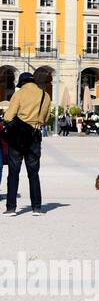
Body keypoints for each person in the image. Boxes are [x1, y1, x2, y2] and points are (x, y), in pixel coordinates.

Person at [3, 72, 51, 215]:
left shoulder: (18, 94)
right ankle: (36, 207)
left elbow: (8, 116)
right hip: (35, 136)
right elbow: (46, 117)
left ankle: (11, 207)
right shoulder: (45, 95)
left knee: (13, 173)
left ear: (22, 83)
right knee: (34, 173)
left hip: (18, 137)